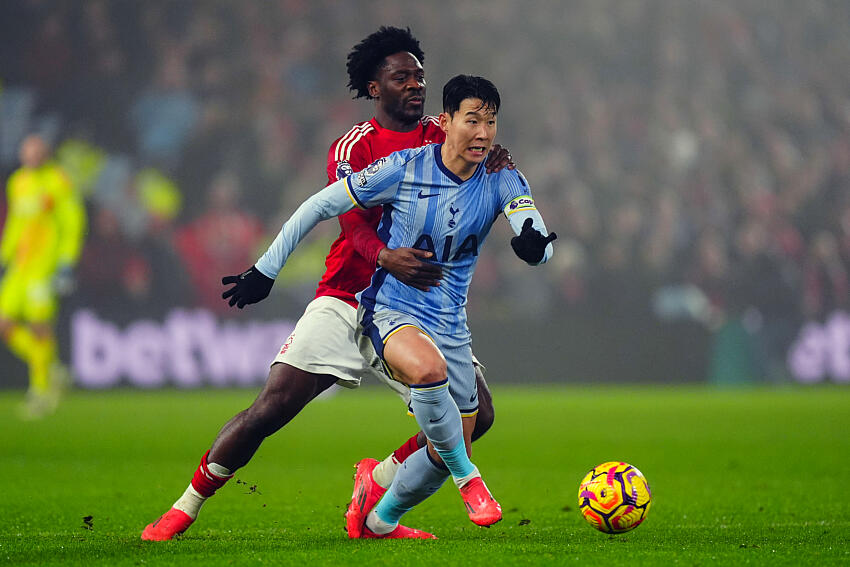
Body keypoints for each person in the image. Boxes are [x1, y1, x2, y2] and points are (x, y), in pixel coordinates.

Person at [141, 27, 512, 541]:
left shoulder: (443, 133)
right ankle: (186, 505)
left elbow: (483, 172)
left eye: (419, 76)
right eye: (400, 77)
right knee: (271, 407)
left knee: (480, 413)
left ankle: (377, 483)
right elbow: (350, 220)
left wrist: (496, 160)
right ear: (373, 86)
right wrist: (383, 256)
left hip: (412, 308)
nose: (415, 85)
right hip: (348, 293)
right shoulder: (355, 145)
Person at [219, 74, 555, 538]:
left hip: (451, 323)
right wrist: (265, 269)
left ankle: (380, 518)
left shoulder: (502, 177)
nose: (483, 133)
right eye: (472, 120)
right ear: (445, 122)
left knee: (453, 438)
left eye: (491, 122)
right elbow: (319, 206)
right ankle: (469, 479)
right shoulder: (404, 167)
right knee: (429, 377)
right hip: (391, 308)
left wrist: (534, 245)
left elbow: (532, 226)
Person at [0, 134, 86, 419]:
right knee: (4, 324)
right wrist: (4, 255)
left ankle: (40, 391)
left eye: (36, 151)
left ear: (45, 153)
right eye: (27, 151)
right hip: (19, 268)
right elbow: (15, 222)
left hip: (44, 267)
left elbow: (72, 222)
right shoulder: (18, 182)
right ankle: (51, 368)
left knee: (39, 326)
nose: (31, 156)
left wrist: (66, 262)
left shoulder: (58, 181)